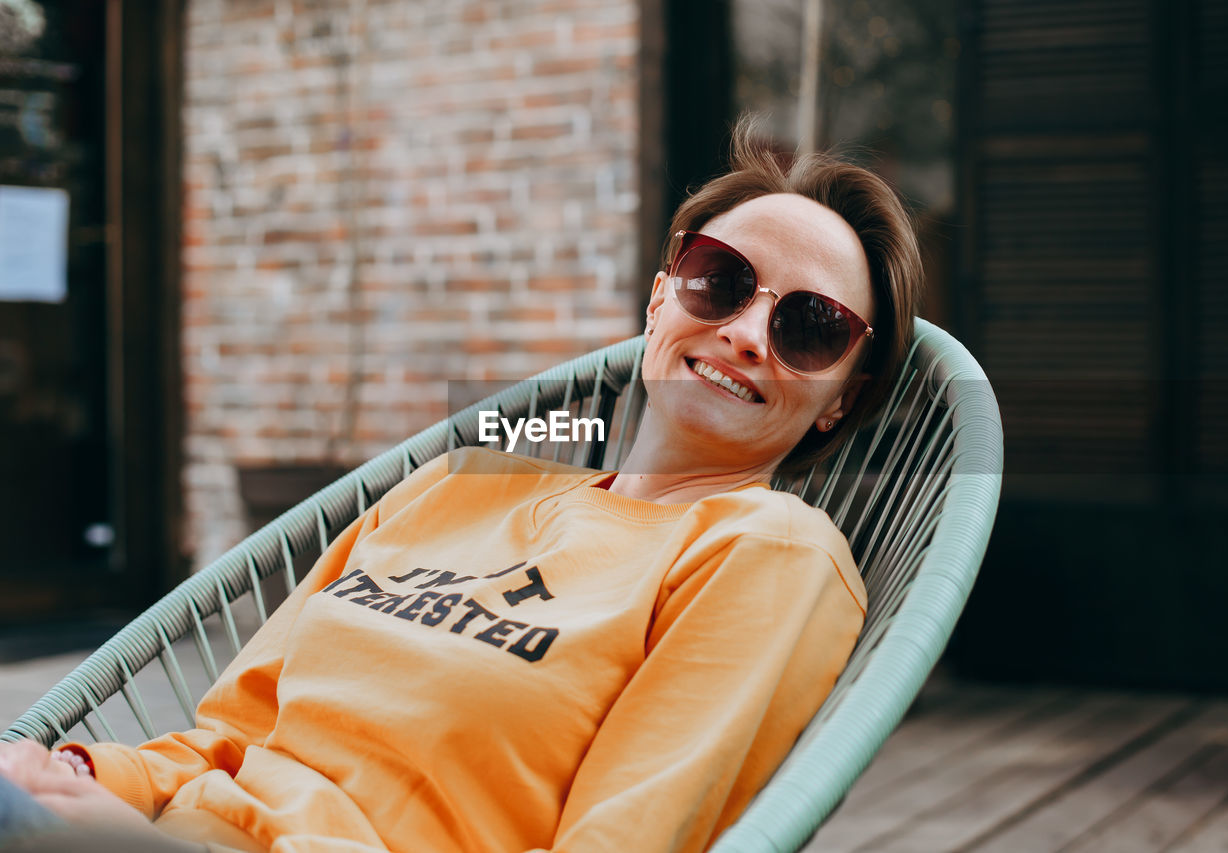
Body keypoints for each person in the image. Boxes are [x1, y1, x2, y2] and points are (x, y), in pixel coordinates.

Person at [0, 117, 922, 853]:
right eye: (720, 280)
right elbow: (232, 733)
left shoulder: (764, 555)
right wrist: (86, 776)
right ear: (659, 298)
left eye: (810, 327)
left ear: (841, 400)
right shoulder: (456, 487)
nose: (749, 334)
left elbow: (624, 838)